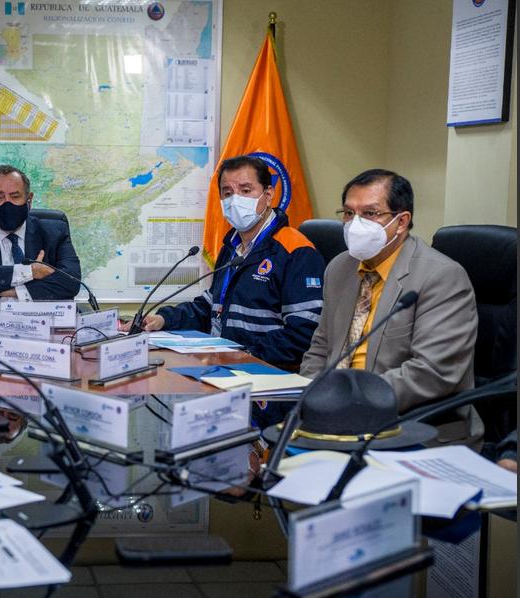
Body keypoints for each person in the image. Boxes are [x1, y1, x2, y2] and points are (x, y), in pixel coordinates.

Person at [300, 169, 480, 443]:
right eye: (349, 214)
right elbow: (321, 347)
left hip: (408, 423)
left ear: (401, 221)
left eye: (370, 214)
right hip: (332, 418)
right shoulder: (339, 267)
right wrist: (310, 396)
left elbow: (432, 372)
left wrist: (350, 403)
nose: (355, 224)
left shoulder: (441, 276)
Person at [137, 155, 325, 368]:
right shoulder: (231, 248)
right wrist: (164, 319)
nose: (235, 200)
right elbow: (211, 307)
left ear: (269, 194)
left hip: (265, 374)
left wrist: (243, 356)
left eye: (246, 191)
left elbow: (304, 332)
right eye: (227, 193)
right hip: (224, 365)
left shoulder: (296, 251)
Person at [0, 164, 81, 309]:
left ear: (29, 199)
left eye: (15, 196)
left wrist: (12, 290)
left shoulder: (54, 232)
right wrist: (31, 271)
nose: (7, 203)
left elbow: (71, 282)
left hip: (42, 322)